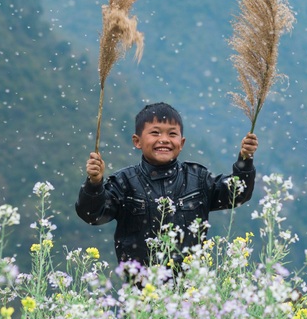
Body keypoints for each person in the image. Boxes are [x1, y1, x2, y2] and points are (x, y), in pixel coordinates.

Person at [75, 102, 258, 272]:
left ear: (182, 143)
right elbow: (93, 215)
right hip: (140, 292)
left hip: (190, 291)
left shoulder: (198, 178)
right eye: (155, 133)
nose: (164, 139)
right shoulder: (124, 183)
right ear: (137, 141)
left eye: (172, 134)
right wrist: (95, 183)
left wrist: (245, 160)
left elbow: (237, 194)